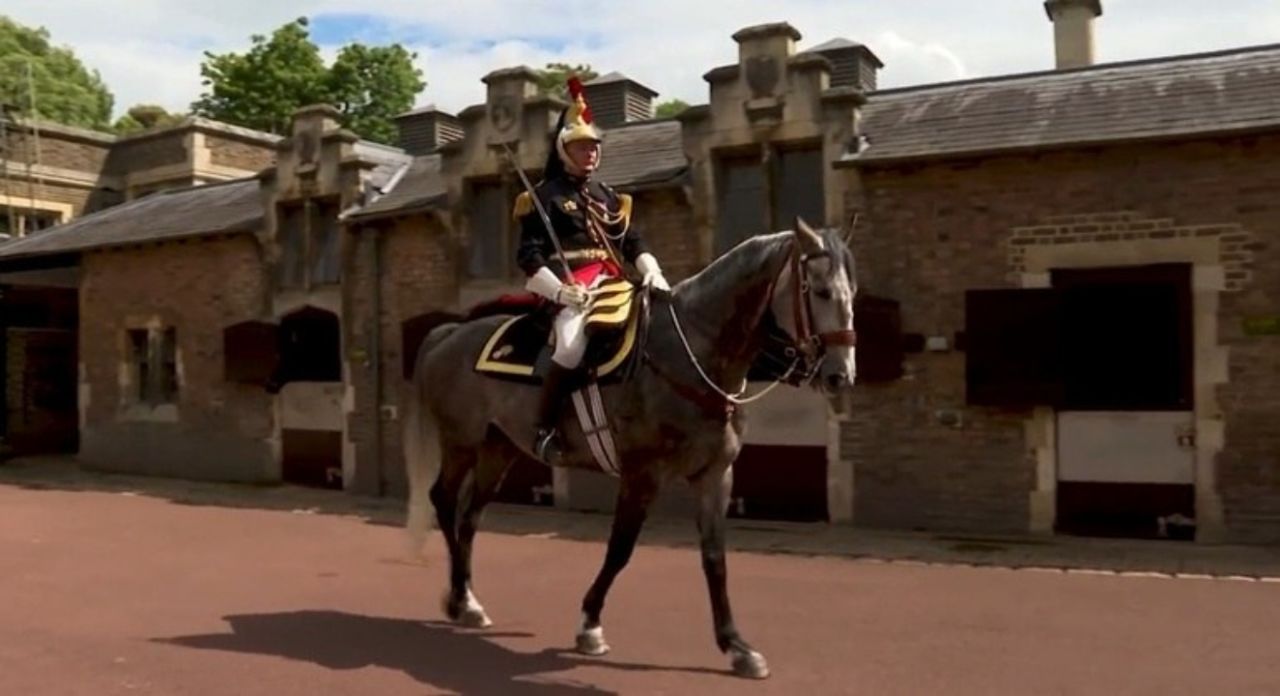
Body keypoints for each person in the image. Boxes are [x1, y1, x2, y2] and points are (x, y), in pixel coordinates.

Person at [513, 76, 671, 462]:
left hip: (615, 280)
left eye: (595, 148)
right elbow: (528, 255)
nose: (591, 154)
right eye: (583, 147)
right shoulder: (543, 197)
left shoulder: (608, 196)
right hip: (571, 285)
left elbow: (631, 240)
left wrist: (651, 270)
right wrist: (559, 292)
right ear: (564, 149)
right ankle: (545, 428)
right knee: (568, 347)